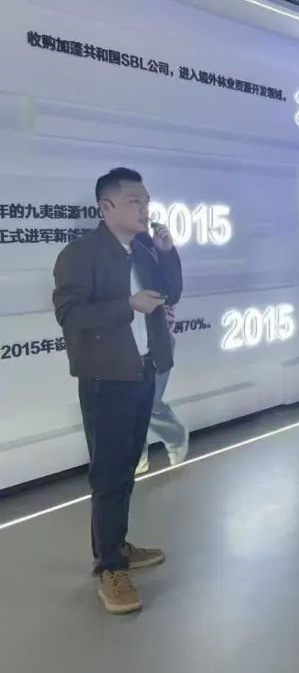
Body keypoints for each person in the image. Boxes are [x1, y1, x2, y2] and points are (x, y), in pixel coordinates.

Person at [52, 167, 182, 614]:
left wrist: (167, 254)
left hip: (143, 370)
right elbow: (70, 315)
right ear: (105, 207)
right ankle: (109, 567)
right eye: (134, 202)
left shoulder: (144, 248)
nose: (145, 209)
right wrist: (127, 305)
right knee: (108, 474)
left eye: (146, 201)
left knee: (125, 468)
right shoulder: (80, 254)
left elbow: (171, 293)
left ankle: (116, 546)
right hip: (106, 378)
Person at [135, 303, 188, 475]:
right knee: (130, 405)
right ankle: (137, 458)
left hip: (156, 342)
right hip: (127, 343)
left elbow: (172, 293)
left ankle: (176, 437)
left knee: (150, 403)